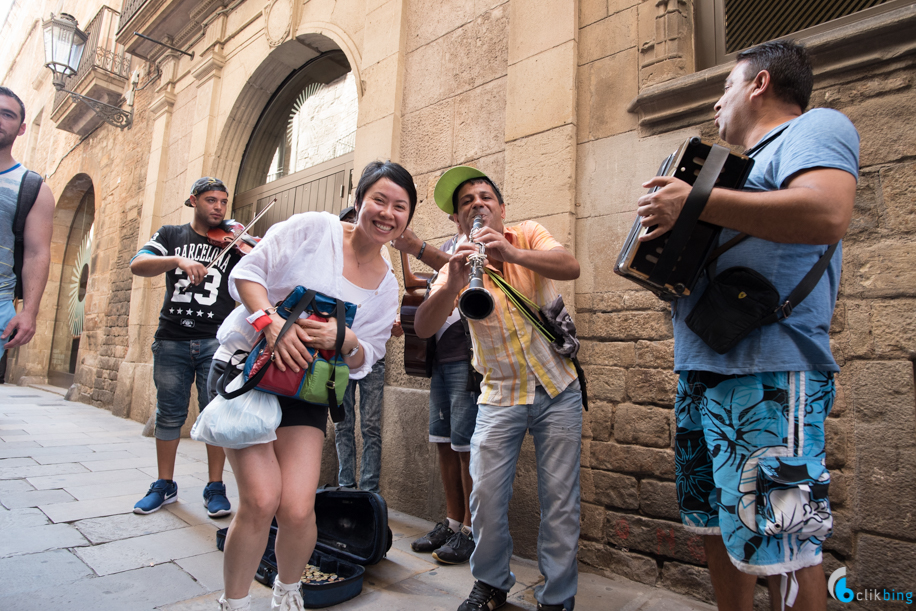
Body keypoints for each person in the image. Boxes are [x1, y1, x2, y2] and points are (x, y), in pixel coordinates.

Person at [635, 40, 858, 611]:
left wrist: (696, 205)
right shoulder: (736, 170)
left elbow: (826, 212)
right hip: (702, 368)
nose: (716, 107)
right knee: (717, 528)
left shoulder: (815, 126)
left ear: (759, 84)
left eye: (725, 89)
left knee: (784, 541)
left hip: (771, 374)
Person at [211, 161, 414, 611]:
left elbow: (367, 359)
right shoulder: (313, 230)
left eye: (400, 207)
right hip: (251, 371)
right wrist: (271, 323)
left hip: (306, 390)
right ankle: (235, 602)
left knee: (299, 508)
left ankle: (288, 593)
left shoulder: (385, 286)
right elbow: (247, 274)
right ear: (359, 201)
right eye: (379, 200)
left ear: (406, 219)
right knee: (262, 499)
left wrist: (349, 340)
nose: (387, 212)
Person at [414, 167, 582, 611]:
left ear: (502, 208)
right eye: (466, 202)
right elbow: (425, 326)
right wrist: (451, 282)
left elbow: (571, 266)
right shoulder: (456, 256)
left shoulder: (526, 233)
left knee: (560, 500)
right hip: (499, 394)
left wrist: (511, 252)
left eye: (485, 196)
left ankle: (557, 596)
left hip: (557, 390)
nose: (476, 204)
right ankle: (490, 583)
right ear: (457, 220)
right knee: (485, 497)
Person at [130, 177, 242, 518]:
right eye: (211, 200)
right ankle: (165, 484)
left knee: (215, 414)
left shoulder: (234, 243)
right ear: (193, 201)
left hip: (215, 341)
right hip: (171, 339)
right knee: (169, 414)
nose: (218, 208)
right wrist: (177, 261)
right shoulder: (170, 235)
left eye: (223, 202)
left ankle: (215, 487)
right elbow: (138, 264)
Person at [392, 223, 479, 565]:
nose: (465, 212)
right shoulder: (448, 243)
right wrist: (403, 247)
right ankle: (453, 521)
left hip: (464, 352)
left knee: (465, 445)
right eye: (460, 205)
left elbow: (466, 273)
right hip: (439, 353)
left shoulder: (481, 245)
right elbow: (416, 283)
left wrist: (420, 246)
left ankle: (471, 531)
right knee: (443, 440)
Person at [333, 204, 387, 494]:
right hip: (339, 355)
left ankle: (368, 494)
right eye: (347, 222)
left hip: (372, 355)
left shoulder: (382, 258)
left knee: (371, 427)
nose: (354, 226)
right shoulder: (334, 261)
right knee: (342, 424)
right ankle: (345, 487)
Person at [0, 87, 54, 358]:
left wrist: (29, 311)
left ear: (21, 129)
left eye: (6, 114)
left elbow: (37, 253)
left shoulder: (32, 187)